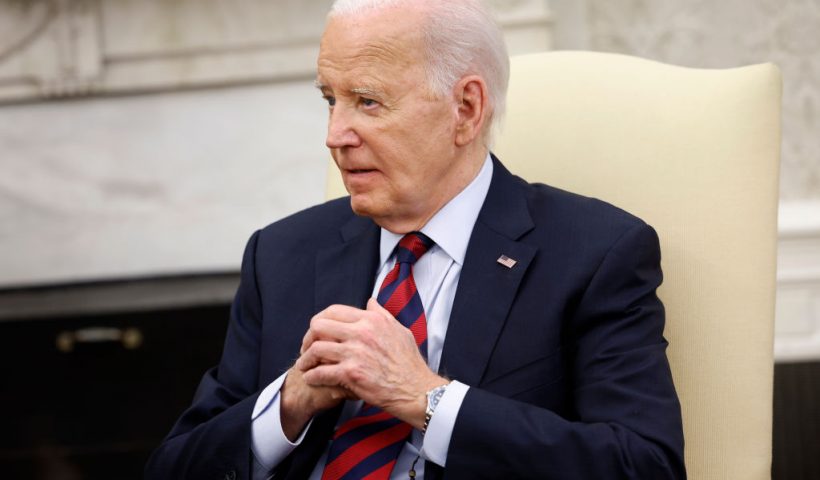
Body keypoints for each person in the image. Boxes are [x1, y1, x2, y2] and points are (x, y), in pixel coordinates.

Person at [146, 0, 686, 478]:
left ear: (466, 109)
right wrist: (289, 404)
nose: (335, 135)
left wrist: (426, 398)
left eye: (368, 101)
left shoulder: (595, 254)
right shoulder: (281, 254)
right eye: (330, 99)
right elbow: (174, 466)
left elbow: (644, 465)